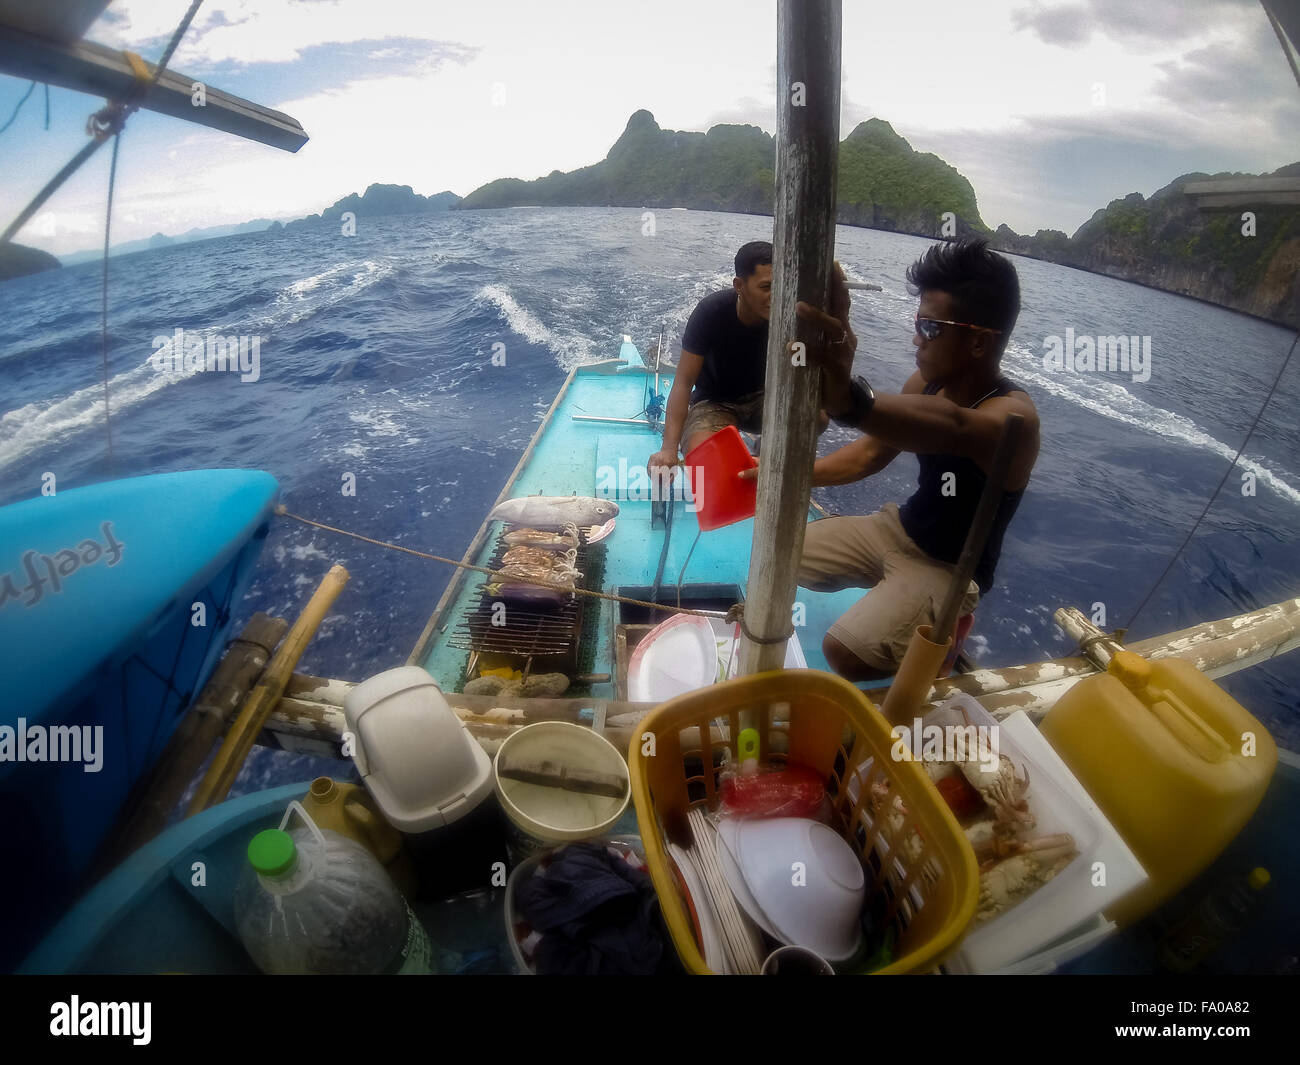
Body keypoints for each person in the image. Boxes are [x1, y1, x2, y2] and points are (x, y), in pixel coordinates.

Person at [775, 239, 1040, 681]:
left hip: (949, 568)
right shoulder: (928, 379)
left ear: (978, 343)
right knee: (783, 553)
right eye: (918, 322)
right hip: (898, 529)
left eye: (932, 328)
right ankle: (898, 600)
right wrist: (788, 477)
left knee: (843, 652)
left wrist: (849, 398)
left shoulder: (1014, 420)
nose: (916, 338)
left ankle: (946, 631)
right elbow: (871, 453)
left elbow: (952, 425)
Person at [647, 242, 828, 475]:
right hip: (714, 402)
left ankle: (766, 449)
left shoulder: (790, 320)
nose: (777, 296)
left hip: (764, 398)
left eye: (783, 286)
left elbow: (800, 373)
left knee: (818, 417)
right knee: (704, 463)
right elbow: (683, 383)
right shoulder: (710, 313)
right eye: (766, 287)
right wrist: (668, 449)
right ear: (739, 286)